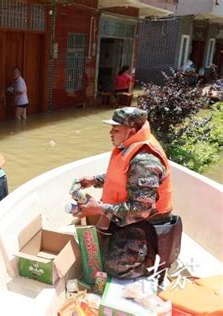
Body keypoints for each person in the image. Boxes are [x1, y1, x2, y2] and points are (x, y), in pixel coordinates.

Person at [73, 107, 177, 279]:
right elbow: (123, 177)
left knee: (114, 267)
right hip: (129, 212)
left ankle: (153, 261)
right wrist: (95, 180)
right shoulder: (128, 146)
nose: (110, 133)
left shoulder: (145, 160)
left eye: (116, 129)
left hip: (148, 222)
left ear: (132, 131)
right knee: (97, 248)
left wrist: (98, 209)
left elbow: (141, 210)